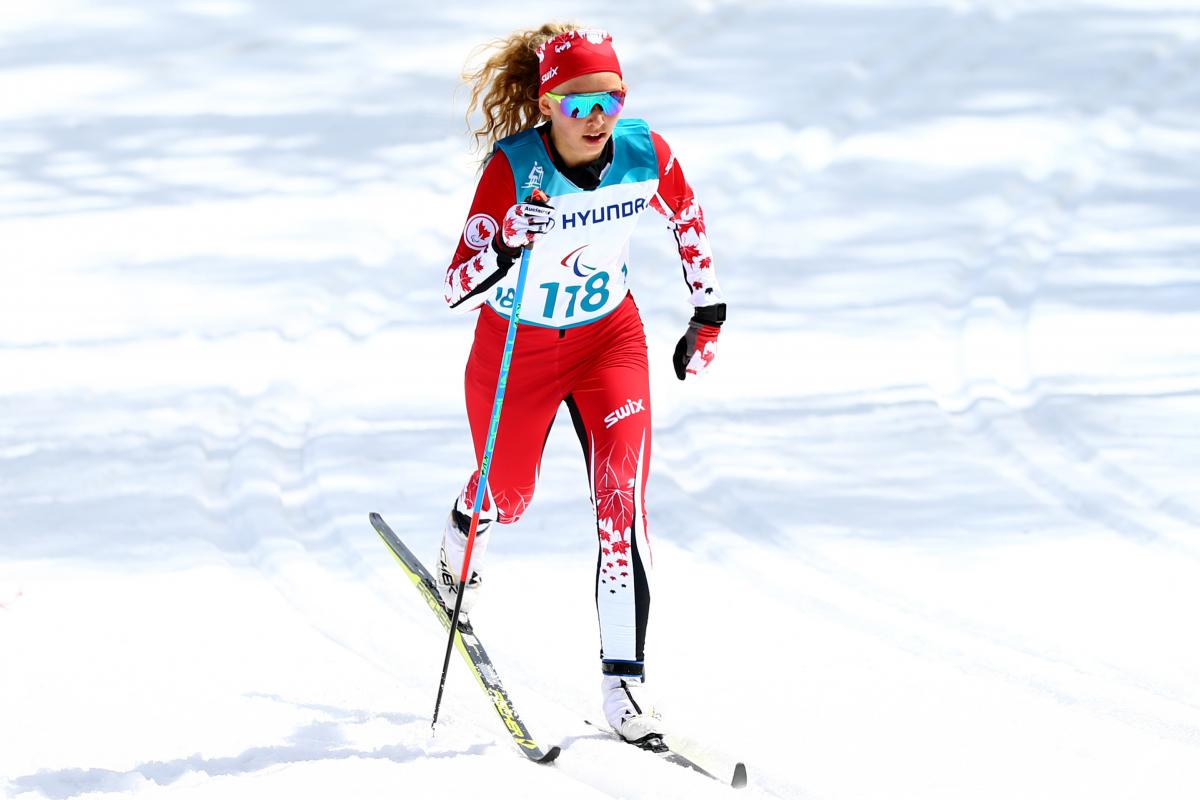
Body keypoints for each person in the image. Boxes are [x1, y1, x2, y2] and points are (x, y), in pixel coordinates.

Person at [437, 24, 726, 749]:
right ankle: (465, 525)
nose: (597, 117)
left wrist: (708, 312)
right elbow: (455, 286)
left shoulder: (643, 152)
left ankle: (624, 684)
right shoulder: (515, 169)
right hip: (520, 347)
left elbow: (685, 215)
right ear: (547, 104)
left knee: (619, 503)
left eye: (610, 98)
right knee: (510, 496)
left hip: (608, 342)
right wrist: (507, 240)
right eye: (578, 102)